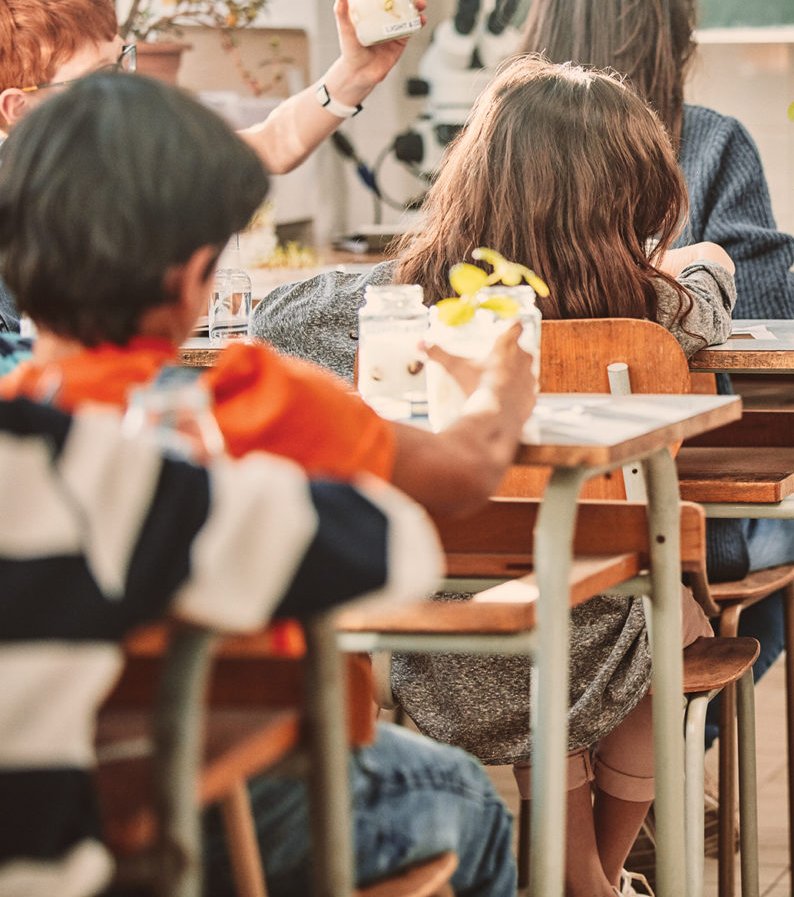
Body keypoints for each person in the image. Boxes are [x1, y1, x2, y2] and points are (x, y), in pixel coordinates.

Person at [0, 72, 536, 894]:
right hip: (245, 798)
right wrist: (501, 391)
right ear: (190, 281)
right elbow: (424, 519)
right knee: (470, 801)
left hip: (78, 821)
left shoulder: (24, 428)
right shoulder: (246, 404)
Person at [254, 54, 730, 897]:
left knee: (587, 602)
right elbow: (712, 289)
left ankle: (579, 873)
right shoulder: (656, 315)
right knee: (670, 605)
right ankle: (596, 876)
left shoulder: (393, 304)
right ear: (633, 200)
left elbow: (270, 318)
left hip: (430, 631)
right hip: (603, 628)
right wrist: (700, 261)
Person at [0, 394, 519, 897]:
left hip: (117, 809)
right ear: (186, 299)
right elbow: (399, 543)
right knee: (472, 798)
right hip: (184, 823)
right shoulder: (66, 459)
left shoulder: (49, 414)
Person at [518, 0, 794, 710]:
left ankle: (622, 777)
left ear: (547, 12)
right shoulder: (711, 145)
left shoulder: (490, 149)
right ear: (672, 21)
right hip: (672, 519)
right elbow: (770, 313)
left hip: (509, 513)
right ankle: (671, 770)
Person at [0, 0, 428, 331]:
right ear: (18, 110)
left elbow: (273, 145)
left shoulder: (114, 160)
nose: (124, 89)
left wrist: (357, 70)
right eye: (100, 77)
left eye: (122, 60)